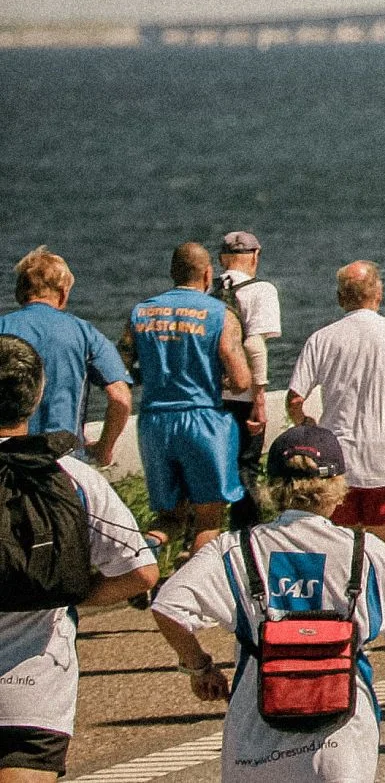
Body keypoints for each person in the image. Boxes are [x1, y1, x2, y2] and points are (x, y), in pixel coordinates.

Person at [150, 423, 385, 783]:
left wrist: (200, 668)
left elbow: (167, 606)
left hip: (256, 730)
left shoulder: (234, 549)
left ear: (272, 487)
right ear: (338, 488)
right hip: (341, 734)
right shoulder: (365, 552)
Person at [0, 331, 159, 783]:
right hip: (33, 691)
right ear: (37, 395)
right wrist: (73, 593)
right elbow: (142, 572)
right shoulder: (71, 478)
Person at [284, 262, 385, 542]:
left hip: (338, 460)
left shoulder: (322, 339)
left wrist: (305, 424)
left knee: (341, 547)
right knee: (384, 550)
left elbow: (295, 398)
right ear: (379, 293)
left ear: (340, 298)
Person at [128, 243, 255, 552]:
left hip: (155, 423)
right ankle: (193, 589)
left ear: (172, 273)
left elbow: (126, 371)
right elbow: (241, 381)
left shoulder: (141, 312)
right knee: (209, 520)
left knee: (169, 517)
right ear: (208, 274)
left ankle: (144, 552)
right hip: (202, 421)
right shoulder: (219, 314)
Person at [0, 248, 130, 462]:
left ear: (20, 291)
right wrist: (104, 448)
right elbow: (121, 397)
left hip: (7, 460)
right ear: (62, 292)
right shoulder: (84, 333)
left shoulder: (3, 327)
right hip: (64, 460)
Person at [212, 233, 281, 528]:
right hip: (243, 398)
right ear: (255, 256)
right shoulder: (261, 290)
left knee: (214, 468)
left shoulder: (206, 290)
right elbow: (254, 345)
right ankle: (247, 537)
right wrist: (260, 400)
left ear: (220, 259)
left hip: (210, 396)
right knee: (247, 468)